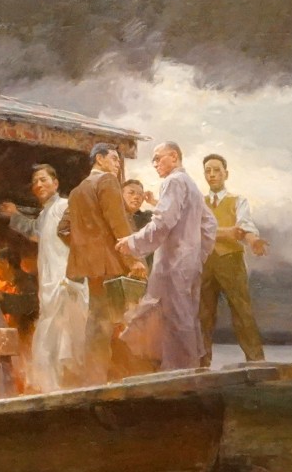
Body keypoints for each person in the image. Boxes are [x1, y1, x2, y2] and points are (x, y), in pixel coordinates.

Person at [115, 143, 215, 372]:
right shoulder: (191, 185)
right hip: (188, 264)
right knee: (184, 316)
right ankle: (185, 369)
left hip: (173, 264)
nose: (154, 164)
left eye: (158, 158)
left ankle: (180, 372)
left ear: (174, 157)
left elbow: (162, 223)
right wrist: (198, 255)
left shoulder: (173, 181)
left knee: (175, 318)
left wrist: (132, 243)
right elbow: (210, 224)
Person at [62, 143, 150, 385]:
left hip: (91, 269)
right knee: (111, 323)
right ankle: (102, 380)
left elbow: (63, 229)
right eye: (113, 158)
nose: (117, 164)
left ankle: (95, 378)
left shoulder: (77, 191)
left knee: (97, 321)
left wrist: (88, 249)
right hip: (111, 265)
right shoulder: (108, 181)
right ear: (99, 159)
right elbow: (118, 222)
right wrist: (133, 260)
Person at [3, 164, 87, 392]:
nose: (38, 185)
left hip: (66, 281)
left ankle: (66, 387)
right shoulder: (45, 213)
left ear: (55, 183)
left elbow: (80, 239)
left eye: (43, 180)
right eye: (35, 182)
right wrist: (14, 215)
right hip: (51, 283)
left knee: (65, 335)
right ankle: (52, 387)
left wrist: (74, 277)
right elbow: (36, 232)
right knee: (51, 334)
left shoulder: (64, 206)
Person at [198, 153, 269, 366]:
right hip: (205, 261)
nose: (212, 175)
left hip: (231, 261)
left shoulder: (238, 201)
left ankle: (257, 362)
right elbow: (193, 229)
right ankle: (201, 365)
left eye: (216, 170)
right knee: (203, 314)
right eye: (208, 171)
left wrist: (253, 241)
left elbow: (244, 226)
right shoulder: (199, 203)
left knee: (242, 311)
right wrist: (226, 233)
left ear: (226, 174)